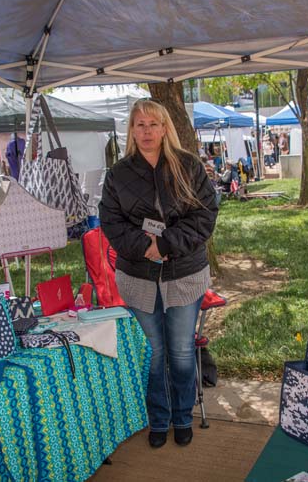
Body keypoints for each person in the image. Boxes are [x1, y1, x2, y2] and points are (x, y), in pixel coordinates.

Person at [99, 99, 219, 449]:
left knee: (181, 352)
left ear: (165, 128)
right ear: (131, 131)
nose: (146, 131)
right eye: (139, 124)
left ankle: (183, 417)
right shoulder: (118, 174)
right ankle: (158, 418)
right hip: (138, 277)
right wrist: (144, 247)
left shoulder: (188, 166)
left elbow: (204, 215)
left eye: (153, 124)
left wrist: (165, 244)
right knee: (152, 354)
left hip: (185, 274)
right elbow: (111, 222)